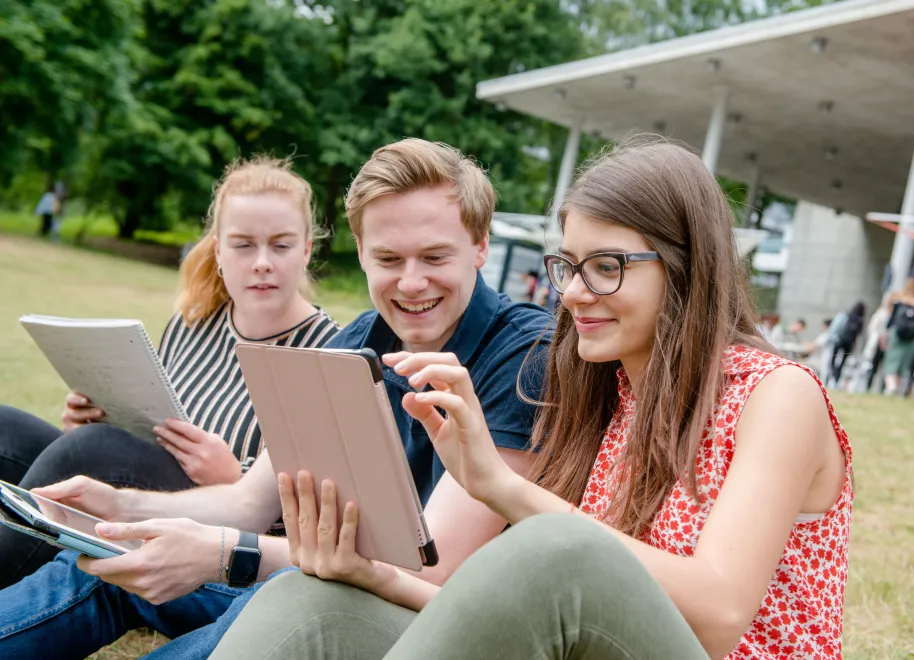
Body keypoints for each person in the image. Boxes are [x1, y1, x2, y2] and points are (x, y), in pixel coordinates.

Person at [211, 137, 853, 660]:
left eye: (607, 267)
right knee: (312, 602)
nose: (573, 293)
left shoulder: (776, 395)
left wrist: (497, 482)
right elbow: (527, 619)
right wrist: (367, 574)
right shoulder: (604, 395)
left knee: (555, 551)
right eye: (568, 266)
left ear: (685, 265)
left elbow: (717, 618)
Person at [0, 139, 551, 660]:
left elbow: (433, 573)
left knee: (279, 597)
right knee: (106, 559)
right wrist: (120, 509)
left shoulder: (524, 355)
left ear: (481, 247)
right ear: (359, 251)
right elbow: (248, 503)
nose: (410, 283)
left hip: (401, 617)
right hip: (314, 577)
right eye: (388, 259)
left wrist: (222, 554)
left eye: (434, 257)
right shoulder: (355, 341)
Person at [0, 156, 340, 589]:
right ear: (218, 250)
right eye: (243, 245)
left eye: (281, 245)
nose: (262, 262)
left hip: (227, 534)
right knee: (7, 427)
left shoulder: (329, 351)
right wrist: (95, 418)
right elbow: (152, 423)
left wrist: (236, 476)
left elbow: (312, 519)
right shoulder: (193, 323)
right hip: (137, 485)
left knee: (96, 449)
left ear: (307, 249)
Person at [882, 275, 914, 396]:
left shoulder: (897, 299)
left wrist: (885, 332)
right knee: (904, 362)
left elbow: (891, 318)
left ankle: (891, 386)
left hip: (896, 334)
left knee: (891, 360)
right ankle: (896, 387)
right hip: (913, 337)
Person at [862, 293, 894, 393]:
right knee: (873, 367)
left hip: (888, 345)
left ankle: (884, 390)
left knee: (886, 368)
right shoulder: (881, 313)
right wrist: (879, 337)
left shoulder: (893, 314)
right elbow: (872, 328)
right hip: (877, 344)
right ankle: (868, 387)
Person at [830, 301, 865, 387]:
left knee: (833, 359)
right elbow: (859, 333)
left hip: (839, 340)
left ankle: (833, 375)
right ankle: (837, 377)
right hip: (849, 343)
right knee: (842, 362)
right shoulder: (860, 320)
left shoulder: (846, 315)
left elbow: (837, 327)